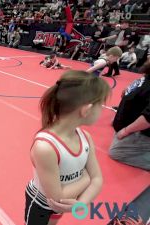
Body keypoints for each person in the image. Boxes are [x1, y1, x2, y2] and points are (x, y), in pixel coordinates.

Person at [25, 70, 109, 225]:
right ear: (87, 110)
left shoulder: (85, 138)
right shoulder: (46, 148)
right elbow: (56, 199)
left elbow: (98, 179)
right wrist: (86, 178)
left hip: (66, 203)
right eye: (101, 106)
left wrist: (82, 203)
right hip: (41, 205)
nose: (102, 111)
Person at [109, 60, 150, 171]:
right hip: (128, 123)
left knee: (115, 152)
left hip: (142, 131)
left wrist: (126, 130)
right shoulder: (145, 78)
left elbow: (148, 118)